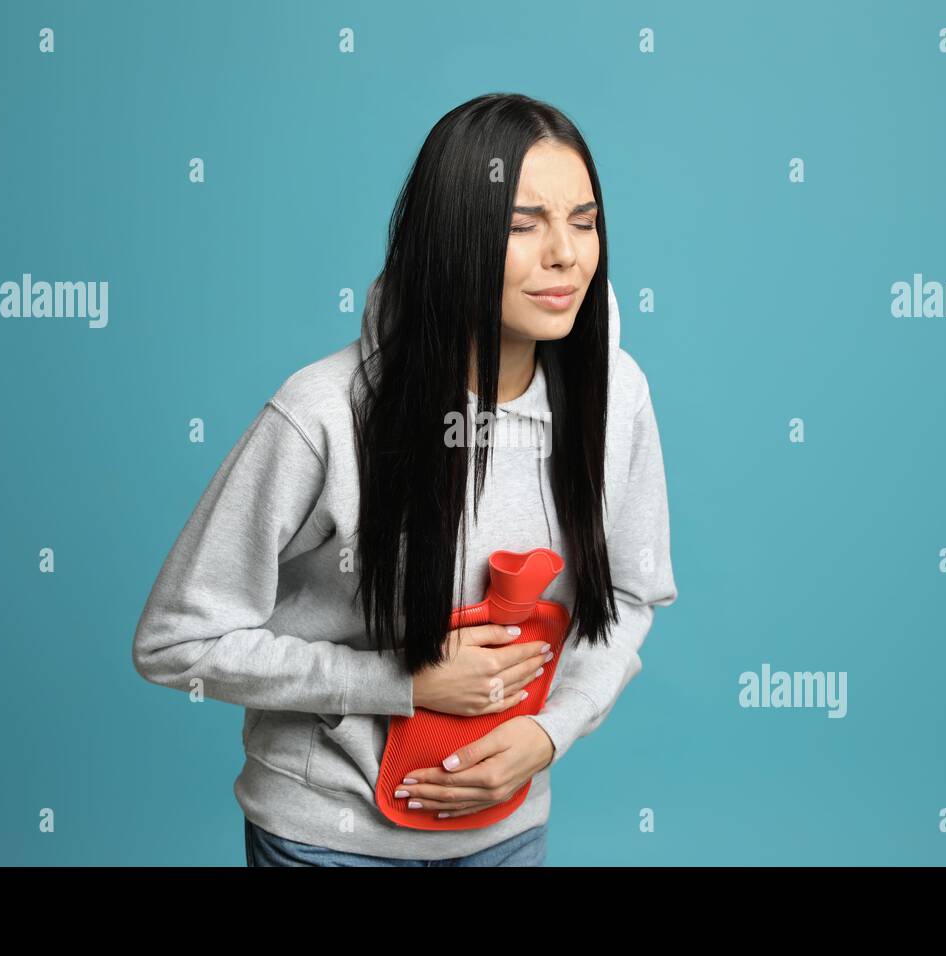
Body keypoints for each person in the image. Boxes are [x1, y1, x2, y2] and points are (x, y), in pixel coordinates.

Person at [131, 92, 677, 867]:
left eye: (584, 221)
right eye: (523, 226)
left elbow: (627, 595)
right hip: (326, 839)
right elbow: (177, 642)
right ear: (452, 239)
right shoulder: (321, 413)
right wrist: (396, 682)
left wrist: (549, 731)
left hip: (506, 834)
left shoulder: (616, 398)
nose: (566, 254)